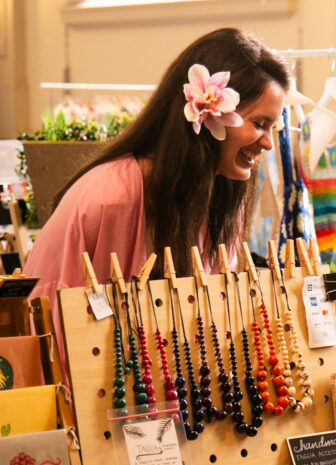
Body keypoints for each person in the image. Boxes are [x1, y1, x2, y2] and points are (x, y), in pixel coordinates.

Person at [24, 26, 289, 304]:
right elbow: (46, 307)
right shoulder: (107, 198)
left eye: (273, 127)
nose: (268, 144)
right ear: (207, 112)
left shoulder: (225, 200)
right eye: (260, 124)